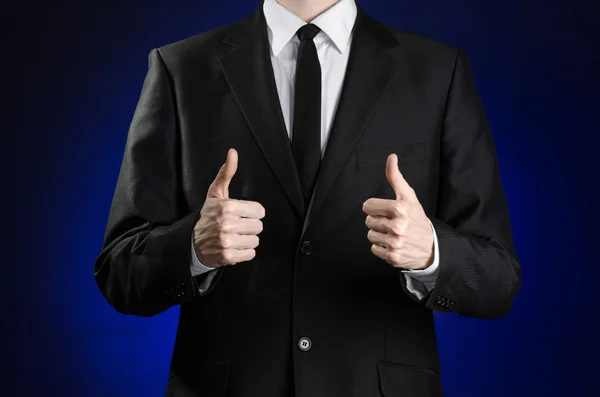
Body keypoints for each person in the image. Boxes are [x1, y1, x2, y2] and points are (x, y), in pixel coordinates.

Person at [94, 0, 522, 396]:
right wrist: (193, 248)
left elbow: (499, 279)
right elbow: (119, 271)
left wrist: (431, 253)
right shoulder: (180, 68)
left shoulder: (437, 71)